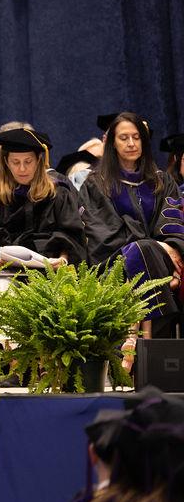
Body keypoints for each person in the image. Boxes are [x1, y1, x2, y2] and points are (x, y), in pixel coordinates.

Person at [78, 112, 184, 356]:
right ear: (112, 143)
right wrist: (154, 247)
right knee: (142, 251)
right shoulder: (97, 183)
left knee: (147, 253)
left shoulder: (161, 181)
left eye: (136, 137)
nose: (131, 143)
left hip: (161, 261)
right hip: (114, 263)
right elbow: (101, 232)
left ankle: (133, 346)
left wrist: (168, 246)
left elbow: (171, 224)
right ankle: (151, 352)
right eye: (123, 137)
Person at [0, 129, 86, 268]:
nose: (22, 169)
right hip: (3, 270)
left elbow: (72, 235)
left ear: (38, 161)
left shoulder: (58, 193)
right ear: (6, 162)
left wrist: (63, 260)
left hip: (51, 273)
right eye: (16, 162)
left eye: (28, 161)